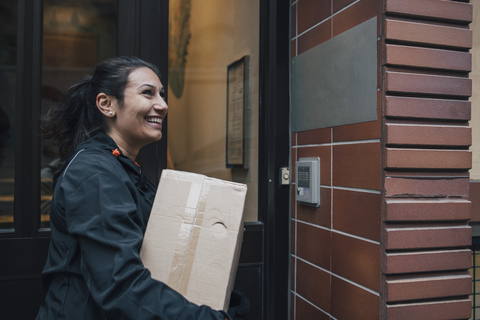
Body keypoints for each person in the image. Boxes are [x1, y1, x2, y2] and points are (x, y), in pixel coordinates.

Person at [36, 56, 248, 320]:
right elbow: (120, 285)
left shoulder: (122, 167)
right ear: (107, 104)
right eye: (148, 93)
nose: (162, 105)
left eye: (161, 94)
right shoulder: (94, 172)